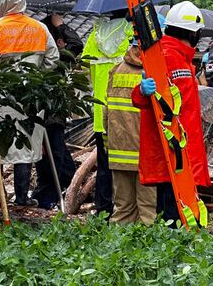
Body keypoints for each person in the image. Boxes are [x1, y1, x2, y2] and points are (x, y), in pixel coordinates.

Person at [132, 1, 211, 223]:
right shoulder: (167, 57)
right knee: (174, 209)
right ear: (194, 33)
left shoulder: (176, 57)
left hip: (178, 147)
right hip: (173, 149)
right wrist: (141, 91)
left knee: (176, 207)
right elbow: (145, 100)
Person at [0, 0, 58, 206]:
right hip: (31, 98)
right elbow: (53, 59)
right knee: (25, 146)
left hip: (0, 97)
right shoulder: (39, 28)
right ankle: (21, 198)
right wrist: (37, 75)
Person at [82, 14, 133, 217]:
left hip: (100, 113)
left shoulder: (95, 35)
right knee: (128, 165)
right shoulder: (130, 34)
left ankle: (103, 208)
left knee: (104, 164)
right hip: (127, 113)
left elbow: (84, 66)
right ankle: (126, 209)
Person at [32, 13, 82, 209]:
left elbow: (75, 46)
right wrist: (60, 24)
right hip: (49, 109)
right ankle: (50, 194)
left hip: (49, 109)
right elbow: (76, 44)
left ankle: (60, 186)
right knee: (51, 153)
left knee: (54, 152)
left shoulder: (51, 55)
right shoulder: (51, 58)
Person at [104, 38, 157, 224]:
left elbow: (107, 110)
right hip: (145, 151)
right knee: (147, 209)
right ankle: (147, 247)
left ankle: (117, 247)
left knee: (122, 208)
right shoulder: (153, 72)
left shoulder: (116, 70)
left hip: (119, 149)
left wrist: (107, 141)